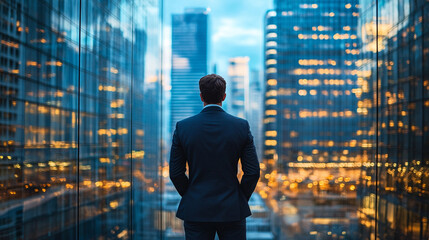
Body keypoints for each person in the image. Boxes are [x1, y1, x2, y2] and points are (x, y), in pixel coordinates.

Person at [169, 74, 260, 240]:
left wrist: (192, 194)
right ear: (224, 96)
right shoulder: (241, 126)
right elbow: (252, 172)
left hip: (196, 209)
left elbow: (176, 173)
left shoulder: (183, 127)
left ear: (201, 96)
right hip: (232, 209)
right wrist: (238, 197)